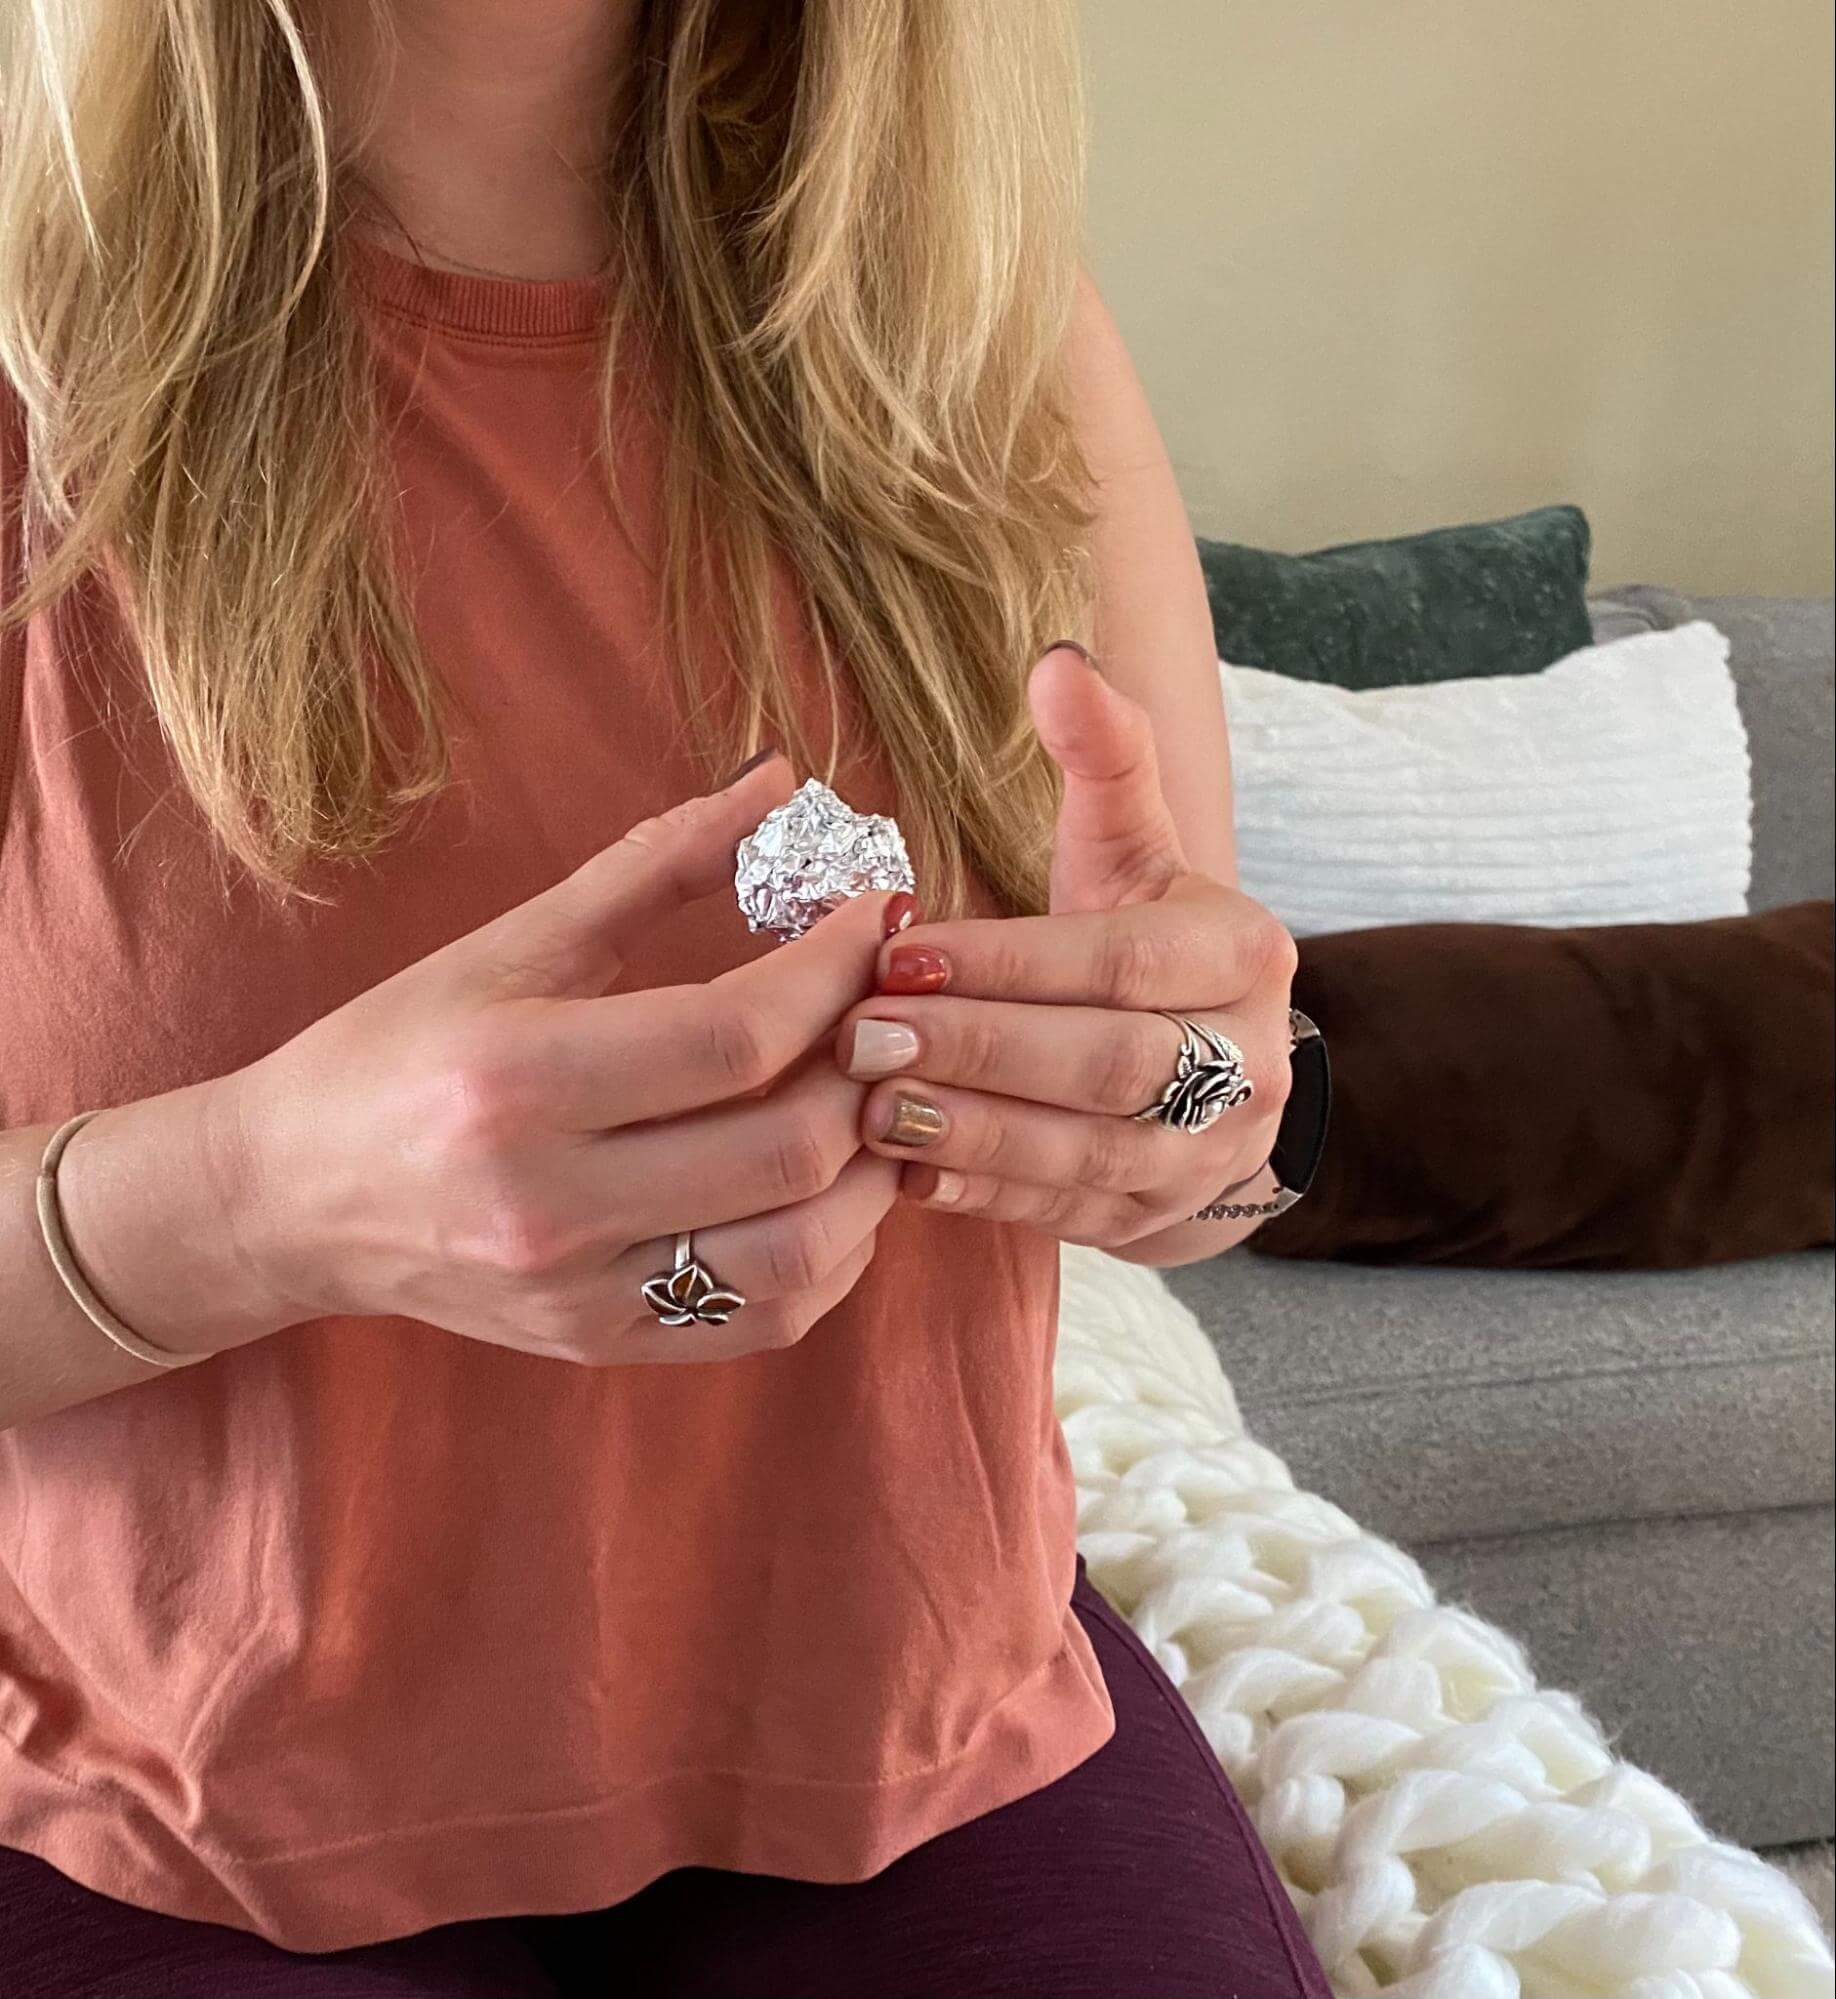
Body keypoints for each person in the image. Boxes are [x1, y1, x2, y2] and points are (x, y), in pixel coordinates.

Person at [0, 3, 1330, 1993]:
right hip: (166, 1799)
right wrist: (258, 1196)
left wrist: (1189, 1133)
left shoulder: (982, 336)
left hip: (927, 1733)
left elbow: (1225, 1148)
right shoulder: (41, 352)